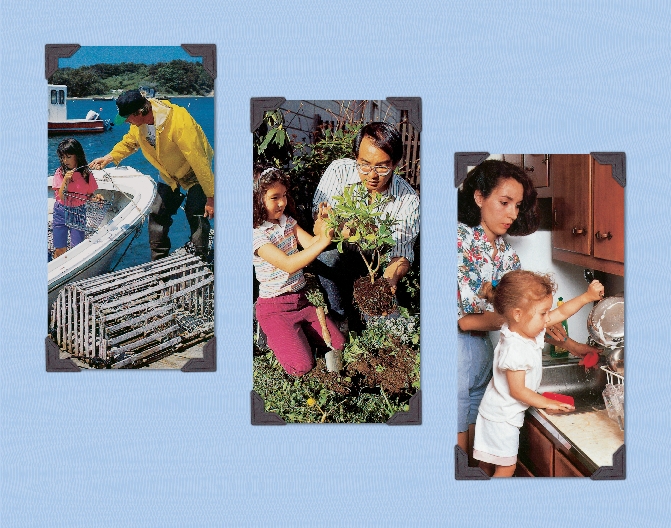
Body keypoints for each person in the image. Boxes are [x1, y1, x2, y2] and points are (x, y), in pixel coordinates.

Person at [456, 159, 596, 464]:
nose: (512, 214)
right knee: (457, 437)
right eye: (504, 202)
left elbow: (522, 312)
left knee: (474, 436)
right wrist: (533, 321)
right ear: (479, 197)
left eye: (517, 205)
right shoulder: (457, 242)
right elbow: (465, 321)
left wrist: (543, 324)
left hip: (483, 349)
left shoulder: (507, 255)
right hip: (456, 348)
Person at [473, 270, 604, 477]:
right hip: (501, 419)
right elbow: (518, 391)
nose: (547, 319)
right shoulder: (515, 347)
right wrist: (546, 402)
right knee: (506, 467)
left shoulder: (523, 328)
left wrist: (586, 297)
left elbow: (560, 314)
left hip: (496, 413)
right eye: (543, 313)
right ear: (518, 313)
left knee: (488, 465)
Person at [311, 122, 420, 328]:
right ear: (356, 157)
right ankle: (339, 317)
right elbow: (319, 228)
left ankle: (367, 322)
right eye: (365, 164)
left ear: (395, 163)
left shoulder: (408, 200)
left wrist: (388, 283)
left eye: (382, 166)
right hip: (338, 253)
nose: (372, 174)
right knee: (326, 258)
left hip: (377, 266)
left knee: (387, 327)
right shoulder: (339, 172)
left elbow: (401, 254)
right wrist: (339, 228)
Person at [90, 89, 214, 260]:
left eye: (127, 118)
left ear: (139, 112)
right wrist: (109, 157)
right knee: (157, 213)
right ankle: (158, 260)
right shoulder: (139, 125)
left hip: (193, 171)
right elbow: (130, 142)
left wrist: (210, 196)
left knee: (196, 212)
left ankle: (201, 257)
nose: (126, 122)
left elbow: (200, 161)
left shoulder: (179, 122)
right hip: (169, 173)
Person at [253, 167, 345, 376]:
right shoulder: (256, 236)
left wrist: (324, 223)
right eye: (274, 197)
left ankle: (294, 335)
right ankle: (269, 332)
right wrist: (322, 242)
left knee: (338, 344)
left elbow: (311, 243)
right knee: (303, 366)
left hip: (301, 301)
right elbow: (289, 264)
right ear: (256, 200)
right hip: (274, 308)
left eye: (284, 195)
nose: (282, 202)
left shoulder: (288, 222)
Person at [51, 138, 99, 259]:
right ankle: (57, 270)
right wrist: (66, 180)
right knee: (60, 247)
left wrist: (96, 198)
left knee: (77, 248)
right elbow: (61, 196)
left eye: (68, 156)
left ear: (77, 156)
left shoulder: (86, 174)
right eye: (63, 157)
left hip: (78, 212)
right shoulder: (60, 172)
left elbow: (89, 195)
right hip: (61, 211)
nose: (65, 160)